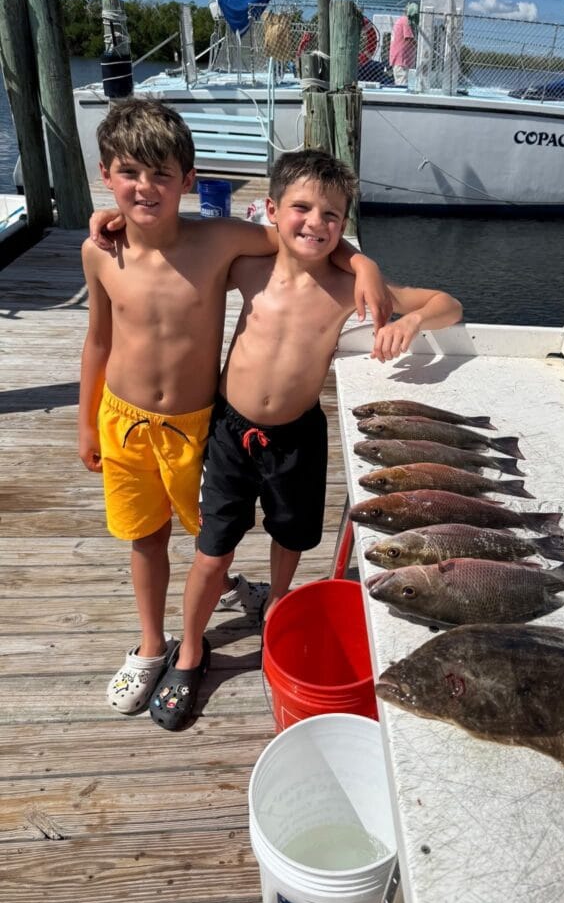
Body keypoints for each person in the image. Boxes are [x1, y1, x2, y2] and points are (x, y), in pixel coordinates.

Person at [79, 98, 390, 720]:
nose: (146, 187)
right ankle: (151, 643)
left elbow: (301, 237)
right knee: (145, 537)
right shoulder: (99, 252)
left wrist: (363, 262)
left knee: (208, 535)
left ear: (188, 182)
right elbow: (99, 339)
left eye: (162, 174)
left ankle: (231, 596)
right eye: (130, 173)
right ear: (106, 176)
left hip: (201, 423)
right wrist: (87, 420)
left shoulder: (220, 240)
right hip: (123, 419)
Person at [147, 147, 463, 731]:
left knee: (290, 538)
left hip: (297, 438)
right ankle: (190, 648)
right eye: (301, 209)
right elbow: (175, 237)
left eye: (331, 216)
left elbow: (449, 304)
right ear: (271, 209)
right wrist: (112, 220)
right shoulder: (248, 265)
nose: (315, 223)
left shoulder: (350, 290)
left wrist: (406, 318)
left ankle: (276, 606)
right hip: (230, 433)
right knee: (213, 552)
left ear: (344, 226)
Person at [389, 2, 419, 85]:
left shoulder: (401, 20)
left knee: (402, 83)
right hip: (402, 61)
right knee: (402, 85)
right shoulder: (406, 21)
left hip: (400, 61)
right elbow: (410, 38)